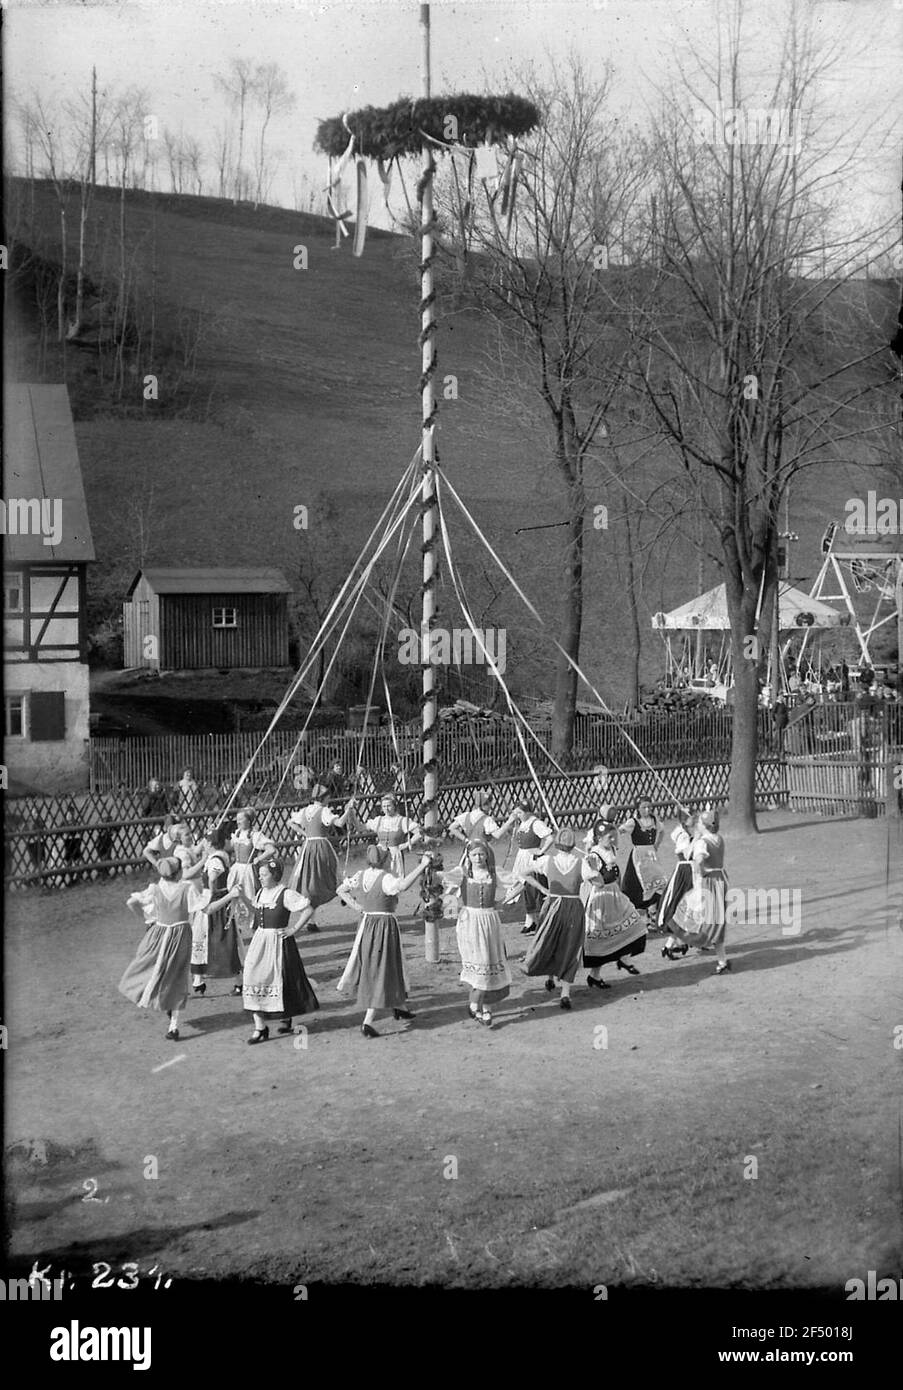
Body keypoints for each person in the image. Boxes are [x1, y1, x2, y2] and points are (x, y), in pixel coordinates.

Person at [204, 857, 319, 1043]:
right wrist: (240, 897)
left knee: (281, 979)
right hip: (260, 940)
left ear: (275, 875)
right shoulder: (260, 893)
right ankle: (260, 1027)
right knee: (251, 975)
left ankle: (285, 1016)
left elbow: (308, 909)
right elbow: (256, 911)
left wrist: (294, 929)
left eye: (264, 874)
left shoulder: (285, 894)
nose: (261, 878)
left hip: (278, 941)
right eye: (260, 875)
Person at [335, 845, 431, 1036]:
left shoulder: (361, 874)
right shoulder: (385, 878)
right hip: (384, 926)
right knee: (382, 967)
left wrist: (358, 907)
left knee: (388, 964)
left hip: (367, 924)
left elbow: (341, 889)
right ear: (385, 860)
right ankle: (368, 1021)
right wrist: (423, 865)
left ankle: (399, 1005)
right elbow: (402, 886)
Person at [119, 857, 200, 1040]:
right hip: (181, 935)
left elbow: (131, 903)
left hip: (160, 933)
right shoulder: (187, 888)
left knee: (152, 967)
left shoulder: (155, 889)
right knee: (178, 975)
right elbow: (201, 907)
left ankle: (158, 999)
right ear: (178, 872)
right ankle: (173, 1025)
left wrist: (149, 920)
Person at [446, 840, 513, 1027]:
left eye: (481, 854)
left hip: (490, 921)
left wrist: (502, 902)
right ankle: (477, 1005)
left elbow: (519, 883)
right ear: (468, 856)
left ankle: (484, 1008)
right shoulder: (463, 873)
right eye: (474, 854)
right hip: (470, 922)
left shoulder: (494, 872)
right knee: (480, 965)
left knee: (489, 963)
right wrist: (450, 912)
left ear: (486, 855)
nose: (478, 858)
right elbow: (448, 886)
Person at [521, 827, 586, 1010]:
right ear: (573, 845)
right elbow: (596, 880)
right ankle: (565, 993)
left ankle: (550, 977)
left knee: (550, 941)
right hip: (573, 908)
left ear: (557, 844)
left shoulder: (547, 860)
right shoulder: (582, 863)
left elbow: (523, 873)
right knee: (570, 946)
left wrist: (542, 890)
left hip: (553, 906)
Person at [582, 825, 647, 986]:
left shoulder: (611, 850)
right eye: (609, 837)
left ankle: (623, 959)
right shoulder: (594, 855)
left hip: (615, 895)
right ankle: (594, 976)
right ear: (598, 838)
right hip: (602, 897)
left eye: (613, 836)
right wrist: (594, 873)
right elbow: (588, 877)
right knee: (602, 937)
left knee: (634, 923)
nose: (613, 840)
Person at [667, 809, 731, 974]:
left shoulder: (702, 842)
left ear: (704, 825)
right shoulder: (718, 839)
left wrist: (702, 871)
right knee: (715, 920)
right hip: (721, 880)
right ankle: (721, 960)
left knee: (701, 918)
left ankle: (677, 940)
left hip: (709, 882)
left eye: (700, 823)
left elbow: (697, 859)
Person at [183, 824, 243, 997]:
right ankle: (198, 980)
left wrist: (209, 892)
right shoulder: (219, 856)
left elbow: (213, 878)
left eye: (207, 842)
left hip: (215, 904)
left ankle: (237, 981)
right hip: (215, 901)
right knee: (201, 939)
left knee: (221, 942)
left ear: (211, 844)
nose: (205, 845)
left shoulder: (215, 859)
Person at [286, 786, 356, 931]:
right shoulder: (324, 810)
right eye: (327, 797)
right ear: (324, 797)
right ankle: (344, 895)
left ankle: (311, 920)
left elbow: (290, 822)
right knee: (331, 873)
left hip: (307, 847)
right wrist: (348, 810)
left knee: (309, 880)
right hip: (321, 847)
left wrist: (305, 833)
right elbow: (339, 823)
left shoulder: (305, 810)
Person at [504, 800, 553, 934]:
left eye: (520, 812)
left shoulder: (536, 823)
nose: (518, 815)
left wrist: (541, 851)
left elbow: (550, 838)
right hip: (522, 856)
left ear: (528, 812)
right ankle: (531, 920)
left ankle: (537, 920)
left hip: (531, 857)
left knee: (531, 887)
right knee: (524, 887)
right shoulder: (522, 823)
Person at [225, 809, 277, 935]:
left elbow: (271, 849)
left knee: (249, 896)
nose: (238, 821)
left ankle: (255, 926)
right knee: (234, 896)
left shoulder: (254, 835)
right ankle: (236, 926)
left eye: (241, 819)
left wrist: (259, 858)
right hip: (236, 869)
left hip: (248, 870)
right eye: (237, 819)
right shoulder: (237, 833)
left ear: (249, 820)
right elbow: (229, 847)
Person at [619, 800, 667, 922]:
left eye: (649, 807)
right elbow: (621, 830)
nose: (647, 810)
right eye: (644, 807)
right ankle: (640, 915)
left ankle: (653, 912)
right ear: (638, 808)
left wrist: (656, 845)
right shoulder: (633, 822)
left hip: (651, 856)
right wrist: (620, 830)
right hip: (638, 857)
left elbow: (661, 831)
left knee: (658, 882)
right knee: (638, 884)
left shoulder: (654, 820)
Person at [658, 814, 695, 960]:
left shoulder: (684, 833)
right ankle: (676, 944)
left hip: (689, 870)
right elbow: (683, 851)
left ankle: (672, 945)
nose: (695, 818)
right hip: (686, 871)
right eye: (691, 816)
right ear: (685, 820)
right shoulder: (683, 836)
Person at [362, 792, 423, 877]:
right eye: (384, 806)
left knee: (395, 882)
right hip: (380, 856)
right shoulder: (379, 820)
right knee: (380, 880)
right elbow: (361, 828)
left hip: (395, 856)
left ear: (394, 806)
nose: (386, 809)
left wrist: (406, 844)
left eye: (389, 806)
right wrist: (352, 816)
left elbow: (420, 832)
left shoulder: (402, 821)